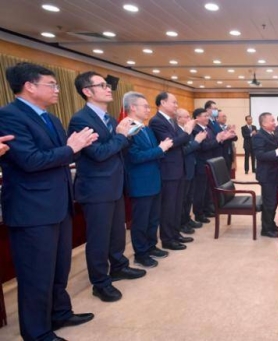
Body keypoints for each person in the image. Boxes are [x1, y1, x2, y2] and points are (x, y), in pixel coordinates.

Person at [0, 62, 97, 340]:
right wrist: (71, 147)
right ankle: (37, 332)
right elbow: (30, 161)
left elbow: (64, 155)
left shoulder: (49, 117)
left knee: (58, 268)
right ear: (29, 86)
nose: (57, 89)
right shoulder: (9, 116)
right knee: (35, 274)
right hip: (32, 209)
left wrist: (76, 148)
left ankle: (60, 313)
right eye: (51, 84)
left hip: (58, 205)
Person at [68, 71, 146, 303]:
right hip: (96, 188)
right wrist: (122, 136)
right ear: (87, 91)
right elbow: (99, 154)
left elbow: (117, 149)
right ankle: (100, 282)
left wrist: (128, 135)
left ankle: (119, 265)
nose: (107, 88)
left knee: (117, 232)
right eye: (101, 85)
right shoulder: (81, 119)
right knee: (99, 237)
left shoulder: (110, 119)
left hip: (114, 184)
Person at [123, 92, 174, 269]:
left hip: (154, 179)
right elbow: (134, 157)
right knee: (141, 221)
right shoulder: (127, 129)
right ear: (133, 108)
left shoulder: (146, 128)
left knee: (153, 219)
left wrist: (160, 149)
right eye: (145, 106)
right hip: (140, 182)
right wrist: (161, 149)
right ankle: (141, 253)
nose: (148, 109)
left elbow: (154, 151)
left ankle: (151, 246)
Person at [149, 92, 197, 251]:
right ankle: (168, 239)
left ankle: (175, 234)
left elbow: (180, 142)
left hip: (179, 168)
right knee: (169, 206)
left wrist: (183, 135)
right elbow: (172, 143)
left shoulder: (171, 121)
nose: (176, 106)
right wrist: (187, 132)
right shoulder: (156, 121)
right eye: (174, 103)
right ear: (162, 102)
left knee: (177, 205)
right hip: (168, 171)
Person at [253, 112, 278, 238]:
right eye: (272, 120)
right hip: (267, 175)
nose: (275, 123)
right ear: (264, 123)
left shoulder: (270, 134)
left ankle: (271, 224)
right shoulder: (259, 136)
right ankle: (266, 229)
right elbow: (260, 155)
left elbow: (272, 150)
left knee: (274, 201)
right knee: (269, 202)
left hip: (274, 173)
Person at [176, 108, 206, 234]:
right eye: (187, 117)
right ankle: (182, 223)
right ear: (179, 119)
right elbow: (183, 151)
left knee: (189, 197)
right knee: (183, 198)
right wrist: (197, 141)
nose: (189, 119)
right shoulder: (179, 132)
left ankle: (187, 219)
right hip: (183, 168)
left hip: (191, 166)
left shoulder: (186, 131)